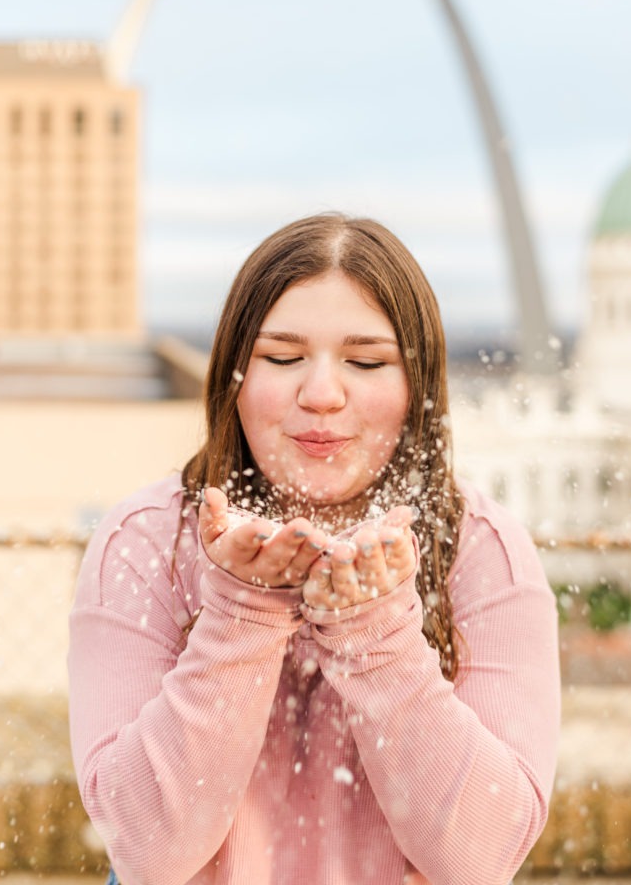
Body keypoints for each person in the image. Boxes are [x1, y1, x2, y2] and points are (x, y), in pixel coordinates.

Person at [68, 213, 560, 885]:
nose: (322, 394)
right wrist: (243, 614)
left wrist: (375, 630)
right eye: (282, 357)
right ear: (234, 376)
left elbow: (479, 856)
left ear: (418, 387)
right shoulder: (144, 543)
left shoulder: (484, 552)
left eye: (365, 362)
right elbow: (148, 853)